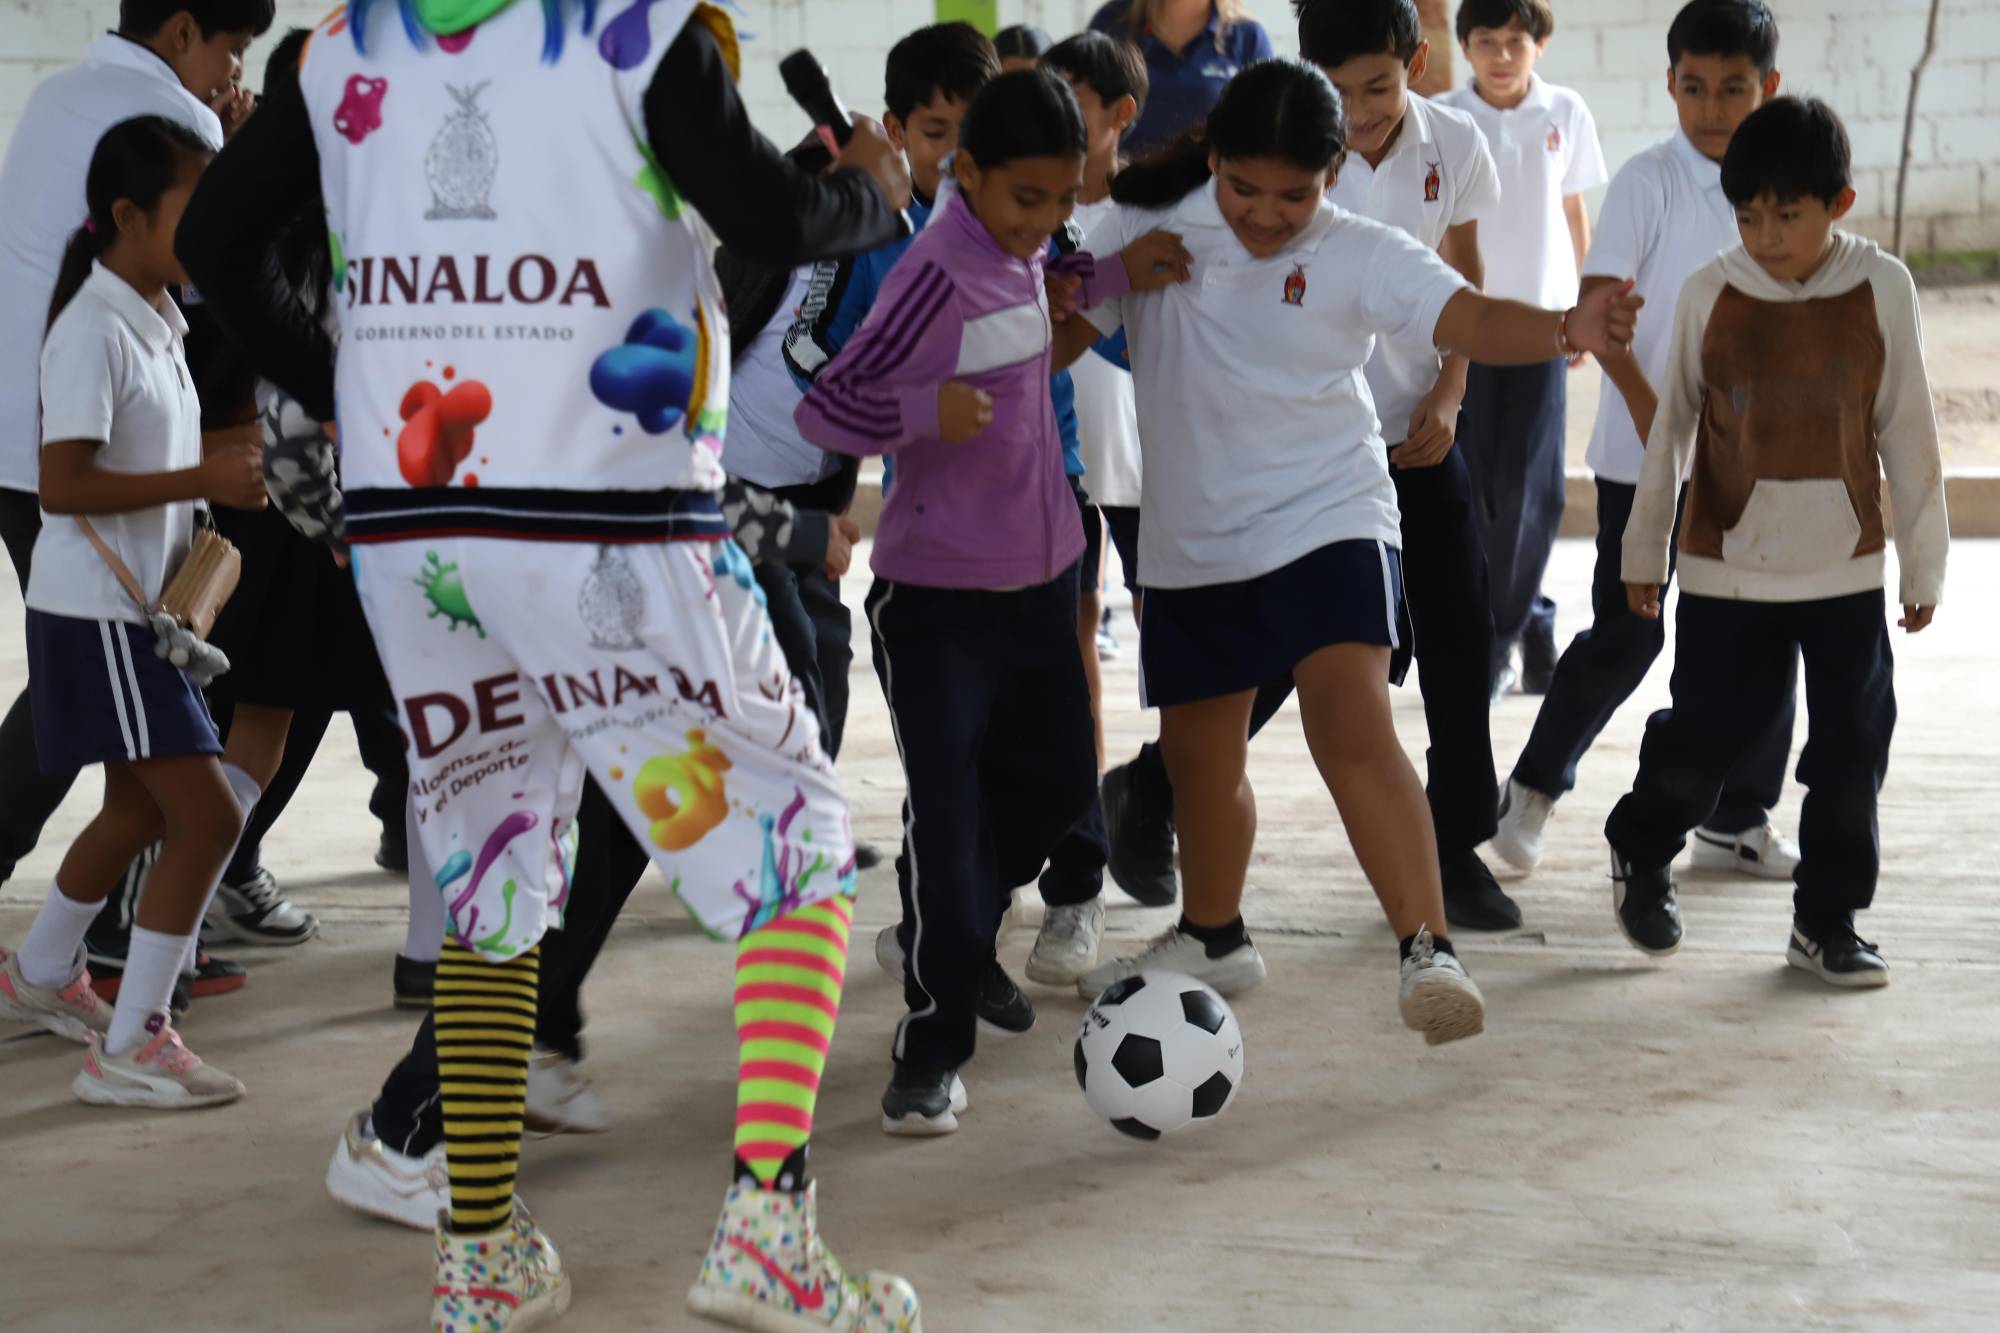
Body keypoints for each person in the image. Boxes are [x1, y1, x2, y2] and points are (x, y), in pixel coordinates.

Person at [178, 2, 923, 1329]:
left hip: (422, 538)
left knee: (489, 871)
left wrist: (349, 377)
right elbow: (771, 221)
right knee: (795, 843)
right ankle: (766, 1223)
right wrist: (868, 190)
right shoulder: (633, 38)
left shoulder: (342, 50)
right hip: (606, 527)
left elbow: (215, 241)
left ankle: (479, 1259)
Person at [1055, 59, 1640, 1044]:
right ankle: (1212, 932)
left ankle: (1427, 949)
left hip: (1330, 512)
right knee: (1201, 762)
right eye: (1244, 187)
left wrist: (1563, 328)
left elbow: (1469, 317)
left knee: (1347, 719)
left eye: (1297, 192)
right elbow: (1050, 326)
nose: (1267, 213)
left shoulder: (1359, 250)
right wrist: (1112, 275)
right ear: (1213, 157)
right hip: (1193, 538)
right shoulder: (1141, 225)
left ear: (1335, 169)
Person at [795, 67, 1187, 1135]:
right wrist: (925, 409)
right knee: (953, 815)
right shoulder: (933, 270)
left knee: (1059, 785)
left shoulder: (1029, 253)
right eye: (1026, 201)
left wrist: (1113, 274)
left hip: (1040, 581)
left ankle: (954, 920)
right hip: (937, 604)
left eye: (1064, 199)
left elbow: (1047, 317)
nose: (1046, 223)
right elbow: (828, 407)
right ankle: (930, 1044)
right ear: (963, 175)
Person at [1602, 97, 1944, 985]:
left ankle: (1825, 921)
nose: (1764, 234)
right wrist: (1647, 553)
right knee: (1711, 738)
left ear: (1841, 203)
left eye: (1786, 214)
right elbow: (1671, 427)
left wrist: (1924, 557)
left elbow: (1908, 428)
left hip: (1845, 568)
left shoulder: (1884, 288)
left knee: (1852, 744)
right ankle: (1642, 841)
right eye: (1747, 215)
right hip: (1727, 572)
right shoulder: (1711, 291)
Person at [1491, 0, 1801, 883]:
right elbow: (1599, 325)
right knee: (1629, 636)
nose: (1711, 107)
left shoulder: (1782, 191)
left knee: (1765, 635)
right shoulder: (1647, 182)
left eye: (1733, 88)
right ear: (1669, 83)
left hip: (1760, 469)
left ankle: (1739, 815)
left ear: (1767, 87)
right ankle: (1533, 788)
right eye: (1693, 87)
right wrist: (1664, 426)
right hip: (1645, 463)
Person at [0, 116, 259, 1109]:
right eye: (194, 209)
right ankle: (133, 1040)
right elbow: (60, 487)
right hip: (98, 614)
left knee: (136, 808)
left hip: (133, 612)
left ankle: (42, 969)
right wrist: (205, 474)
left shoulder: (157, 315)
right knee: (209, 815)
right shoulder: (93, 330)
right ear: (126, 215)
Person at [0, 0, 271, 900]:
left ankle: (113, 932)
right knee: (88, 696)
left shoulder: (55, 94)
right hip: (86, 449)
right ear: (184, 32)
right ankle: (131, 933)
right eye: (230, 51)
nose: (231, 77)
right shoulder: (181, 128)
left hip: (23, 429)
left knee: (95, 700)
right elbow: (213, 277)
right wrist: (232, 163)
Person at [1301, 0, 1516, 931]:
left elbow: (1466, 284)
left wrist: (1448, 395)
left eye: (1378, 87)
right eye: (1337, 92)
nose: (1358, 112)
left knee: (1461, 635)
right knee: (1294, 648)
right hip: (1319, 447)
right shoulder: (1291, 145)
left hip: (1421, 435)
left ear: (1416, 61)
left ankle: (1458, 845)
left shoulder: (1457, 143)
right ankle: (1155, 788)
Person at [1022, 33, 1164, 992]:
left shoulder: (1164, 207)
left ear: (1121, 112)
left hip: (1163, 469)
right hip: (1060, 472)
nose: (1060, 117)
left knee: (1195, 674)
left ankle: (1157, 811)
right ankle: (1079, 885)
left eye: (1077, 99)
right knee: (1067, 676)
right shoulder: (1021, 209)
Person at [1437, 0, 1606, 698]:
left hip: (1544, 326)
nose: (1502, 56)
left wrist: (1587, 304)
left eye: (1515, 41)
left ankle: (1501, 636)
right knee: (1476, 491)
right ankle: (1524, 625)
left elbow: (1572, 210)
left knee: (1530, 493)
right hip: (1468, 329)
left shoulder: (1564, 112)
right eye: (1486, 42)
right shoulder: (1443, 118)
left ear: (1539, 45)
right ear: (1466, 47)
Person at [1089, 0, 1275, 155]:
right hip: (1121, 188)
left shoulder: (1248, 37)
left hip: (1211, 189)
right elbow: (1086, 114)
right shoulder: (1112, 22)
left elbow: (1264, 136)